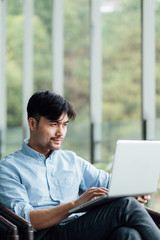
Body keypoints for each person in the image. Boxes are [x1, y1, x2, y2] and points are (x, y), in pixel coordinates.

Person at [0, 90, 160, 240]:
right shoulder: (8, 168)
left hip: (77, 228)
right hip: (45, 234)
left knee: (126, 234)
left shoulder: (71, 160)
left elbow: (109, 183)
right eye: (53, 124)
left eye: (65, 124)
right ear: (32, 124)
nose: (60, 133)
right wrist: (76, 204)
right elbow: (27, 220)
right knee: (125, 205)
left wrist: (134, 191)